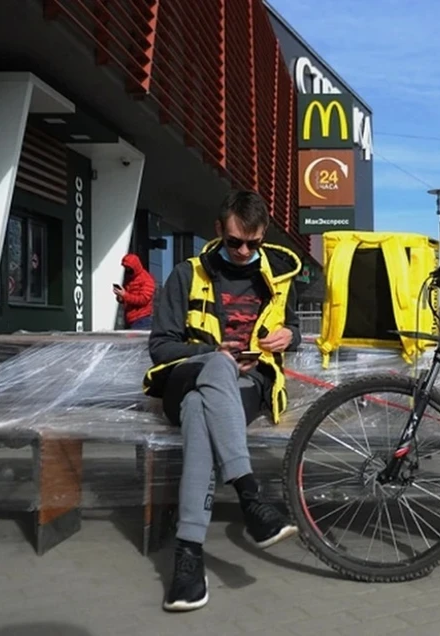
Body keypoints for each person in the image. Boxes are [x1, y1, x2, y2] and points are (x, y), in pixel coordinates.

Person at [142, 189, 303, 612]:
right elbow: (160, 348)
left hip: (244, 390)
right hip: (185, 379)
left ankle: (188, 558)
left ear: (264, 235)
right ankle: (250, 496)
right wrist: (214, 357)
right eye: (234, 242)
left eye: (254, 243)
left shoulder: (279, 277)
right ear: (218, 231)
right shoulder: (185, 274)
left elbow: (294, 331)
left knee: (201, 410)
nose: (243, 251)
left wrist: (291, 336)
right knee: (215, 369)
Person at [115, 253, 156, 329]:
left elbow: (143, 299)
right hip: (130, 318)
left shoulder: (146, 279)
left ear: (135, 267)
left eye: (129, 268)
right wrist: (120, 297)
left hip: (142, 319)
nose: (127, 270)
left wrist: (125, 295)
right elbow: (128, 298)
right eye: (126, 268)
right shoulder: (129, 279)